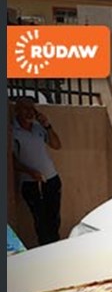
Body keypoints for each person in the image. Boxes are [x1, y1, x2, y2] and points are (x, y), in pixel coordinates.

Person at [11, 96, 62, 246]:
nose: (29, 112)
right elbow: (12, 160)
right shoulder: (12, 131)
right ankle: (45, 249)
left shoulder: (38, 128)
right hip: (31, 183)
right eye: (25, 108)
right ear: (17, 110)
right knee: (41, 220)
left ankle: (55, 248)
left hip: (51, 179)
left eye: (32, 109)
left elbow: (57, 145)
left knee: (54, 218)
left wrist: (47, 125)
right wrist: (30, 171)